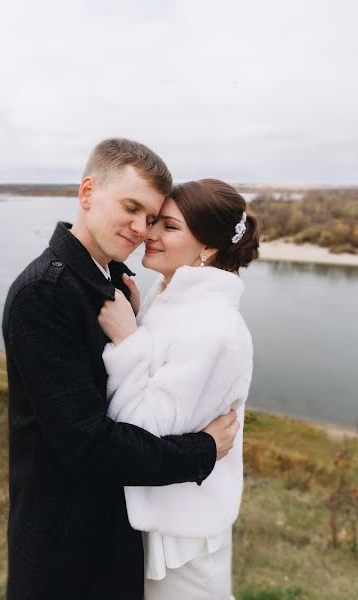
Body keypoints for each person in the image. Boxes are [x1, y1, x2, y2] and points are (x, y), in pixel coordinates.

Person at [1, 139, 240, 599]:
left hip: (110, 534)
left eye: (151, 218)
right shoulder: (45, 293)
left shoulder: (111, 281)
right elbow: (88, 445)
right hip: (65, 548)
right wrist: (203, 450)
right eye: (131, 208)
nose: (140, 229)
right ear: (88, 192)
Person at [98, 179, 260, 599]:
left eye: (168, 227)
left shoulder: (213, 329)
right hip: (160, 521)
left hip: (182, 542)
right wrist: (137, 317)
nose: (148, 234)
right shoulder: (170, 297)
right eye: (154, 221)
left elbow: (141, 430)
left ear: (207, 247)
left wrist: (127, 340)